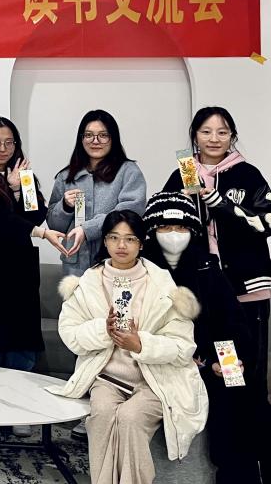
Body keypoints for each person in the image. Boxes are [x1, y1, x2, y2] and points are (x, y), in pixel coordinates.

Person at [47, 210, 207, 484]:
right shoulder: (87, 282)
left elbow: (183, 347)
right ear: (105, 241)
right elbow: (70, 334)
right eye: (114, 237)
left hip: (154, 380)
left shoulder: (162, 284)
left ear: (141, 243)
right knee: (101, 418)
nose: (121, 245)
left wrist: (141, 344)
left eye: (130, 239)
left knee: (130, 419)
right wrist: (104, 330)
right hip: (106, 379)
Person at [162, 106, 271, 480]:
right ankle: (226, 461)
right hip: (206, 298)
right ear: (194, 135)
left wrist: (219, 203)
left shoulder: (247, 175)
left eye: (222, 132)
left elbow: (265, 222)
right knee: (218, 374)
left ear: (232, 137)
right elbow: (163, 221)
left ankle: (250, 464)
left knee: (244, 376)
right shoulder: (185, 172)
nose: (213, 139)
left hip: (244, 298)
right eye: (206, 131)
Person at [142, 191, 264, 483]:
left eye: (181, 227)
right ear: (151, 230)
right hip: (159, 359)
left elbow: (230, 321)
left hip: (210, 357)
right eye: (165, 227)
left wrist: (228, 361)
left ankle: (238, 475)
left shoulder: (207, 266)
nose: (174, 235)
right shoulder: (142, 268)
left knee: (241, 392)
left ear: (193, 230)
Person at [46, 109, 146, 440]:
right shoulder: (67, 176)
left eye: (103, 135)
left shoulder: (128, 172)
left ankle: (115, 408)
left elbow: (131, 212)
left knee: (117, 333)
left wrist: (87, 228)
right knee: (84, 337)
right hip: (77, 269)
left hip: (118, 268)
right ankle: (85, 409)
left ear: (113, 138)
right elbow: (53, 223)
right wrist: (64, 206)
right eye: (89, 135)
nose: (96, 141)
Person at [0, 116, 67, 438]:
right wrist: (8, 190)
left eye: (9, 142)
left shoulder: (24, 175)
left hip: (19, 271)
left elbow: (37, 215)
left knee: (21, 340)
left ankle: (21, 408)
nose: (3, 148)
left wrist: (21, 187)